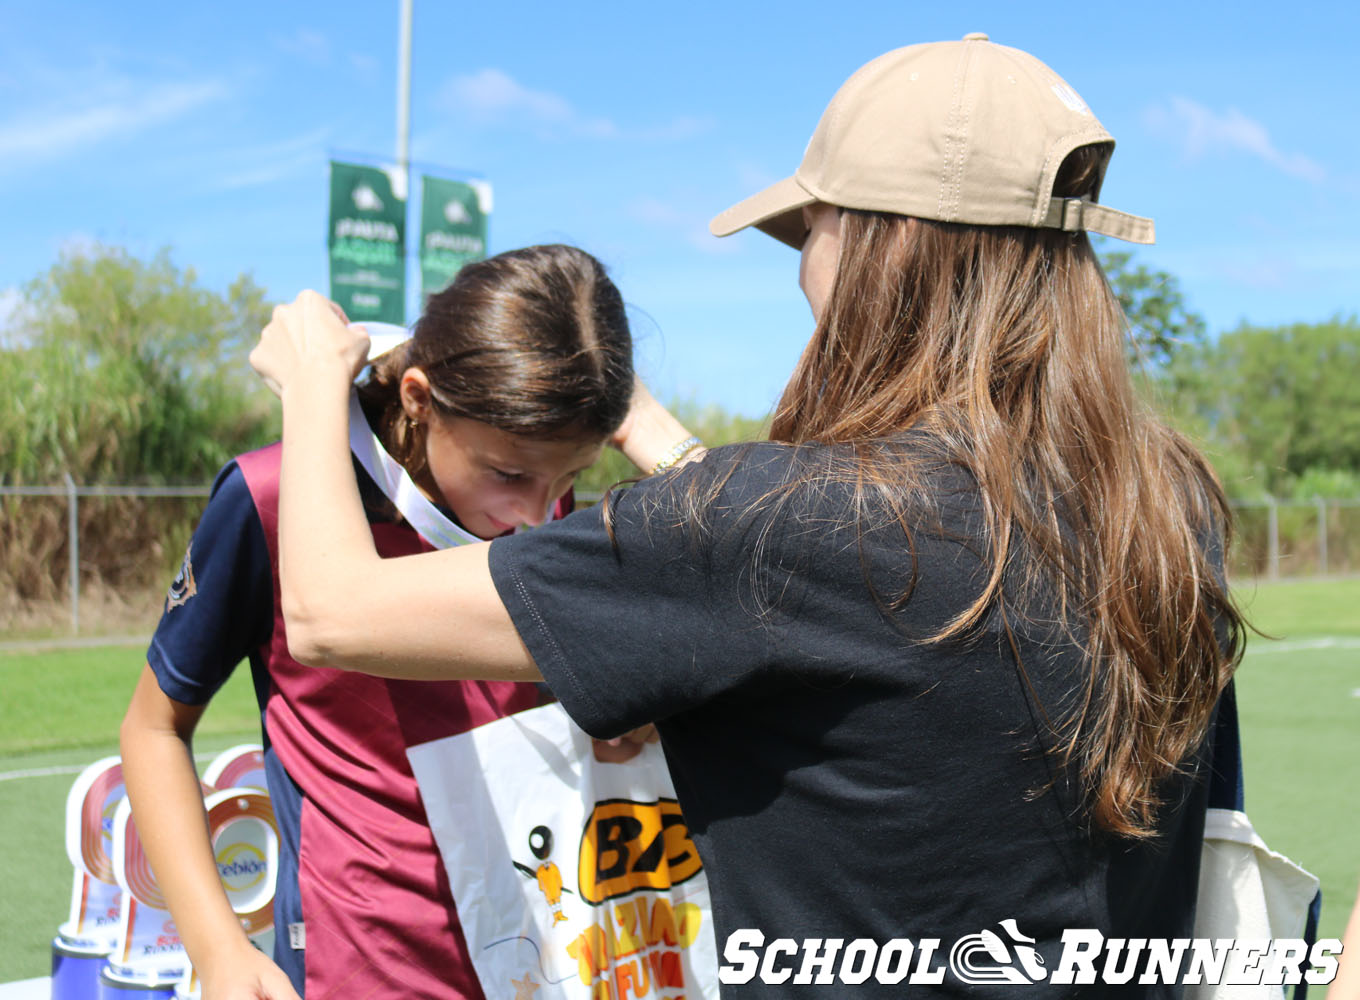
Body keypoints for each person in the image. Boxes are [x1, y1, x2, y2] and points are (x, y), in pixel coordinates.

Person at [249, 36, 1245, 996]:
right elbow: (780, 560)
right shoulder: (1160, 516)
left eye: (810, 229)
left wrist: (310, 375)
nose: (801, 266)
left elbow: (336, 611)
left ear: (879, 244)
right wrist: (629, 411)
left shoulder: (781, 528)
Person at [119, 244, 686, 1000]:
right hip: (358, 972)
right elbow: (153, 728)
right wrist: (219, 948)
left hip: (541, 951)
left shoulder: (542, 500)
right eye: (509, 474)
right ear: (419, 399)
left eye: (569, 478)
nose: (534, 511)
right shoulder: (270, 496)